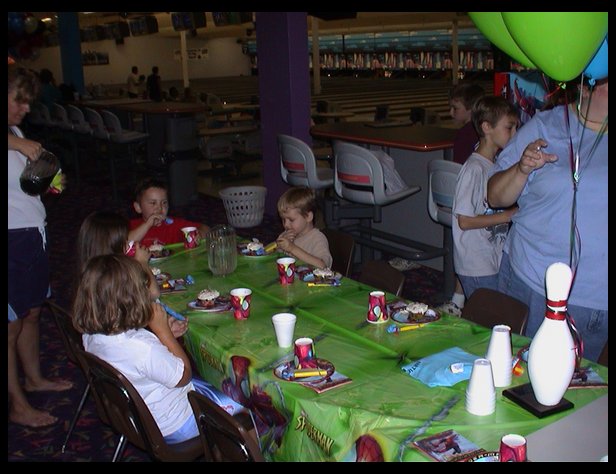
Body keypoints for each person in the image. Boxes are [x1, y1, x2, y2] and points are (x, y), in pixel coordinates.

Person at [487, 77, 608, 362]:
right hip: (532, 282)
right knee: (516, 374)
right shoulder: (545, 126)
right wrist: (521, 169)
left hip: (596, 300)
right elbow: (494, 196)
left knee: (582, 386)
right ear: (586, 86)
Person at [72, 254, 246, 444]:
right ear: (131, 299)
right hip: (176, 423)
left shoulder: (90, 336)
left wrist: (162, 336)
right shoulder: (142, 347)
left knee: (212, 379)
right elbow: (184, 376)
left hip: (137, 416)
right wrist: (164, 333)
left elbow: (136, 361)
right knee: (245, 401)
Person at [8, 64, 72, 428]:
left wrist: (48, 182)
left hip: (31, 234)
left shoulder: (15, 131)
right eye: (19, 100)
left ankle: (33, 379)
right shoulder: (14, 137)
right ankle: (18, 405)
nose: (26, 108)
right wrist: (17, 144)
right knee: (10, 324)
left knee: (31, 312)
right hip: (11, 239)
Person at [75, 211, 187, 338]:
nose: (128, 242)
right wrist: (142, 263)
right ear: (113, 246)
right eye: (124, 241)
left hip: (104, 330)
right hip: (127, 332)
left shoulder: (89, 271)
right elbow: (153, 293)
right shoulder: (115, 276)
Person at [452, 96, 519, 299]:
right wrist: (507, 216)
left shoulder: (495, 166)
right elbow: (464, 221)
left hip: (490, 259)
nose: (515, 134)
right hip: (476, 264)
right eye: (509, 128)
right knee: (487, 314)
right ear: (487, 127)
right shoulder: (474, 169)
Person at [438, 82, 485, 316]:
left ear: (471, 109)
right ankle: (461, 298)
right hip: (467, 208)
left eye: (455, 108)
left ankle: (460, 299)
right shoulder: (475, 136)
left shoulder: (465, 136)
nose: (450, 113)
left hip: (457, 205)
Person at [129, 177, 210, 247]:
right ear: (138, 207)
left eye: (164, 202)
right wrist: (147, 225)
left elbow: (206, 228)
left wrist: (199, 234)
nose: (159, 208)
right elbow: (125, 242)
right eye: (153, 203)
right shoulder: (132, 226)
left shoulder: (174, 224)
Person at [276, 186, 333, 269]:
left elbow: (322, 266)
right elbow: (272, 255)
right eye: (283, 220)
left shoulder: (317, 239)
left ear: (308, 217)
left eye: (291, 220)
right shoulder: (286, 234)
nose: (286, 225)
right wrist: (278, 245)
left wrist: (292, 248)